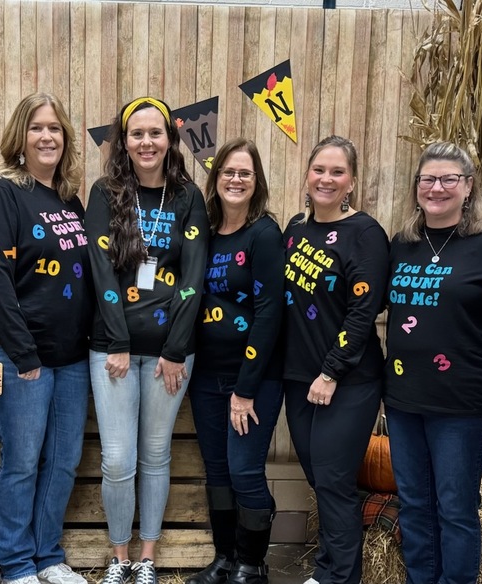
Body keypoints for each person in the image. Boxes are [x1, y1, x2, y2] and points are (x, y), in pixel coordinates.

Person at [0, 93, 94, 584]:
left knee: (63, 459)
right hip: (16, 351)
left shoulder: (69, 199)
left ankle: (49, 556)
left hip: (71, 354)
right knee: (22, 459)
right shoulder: (3, 192)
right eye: (38, 128)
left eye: (56, 129)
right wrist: (23, 353)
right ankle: (17, 563)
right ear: (20, 136)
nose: (47, 137)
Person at [84, 96, 209, 584]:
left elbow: (195, 274)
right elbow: (100, 272)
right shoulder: (104, 192)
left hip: (170, 354)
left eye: (155, 133)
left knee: (156, 453)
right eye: (136, 134)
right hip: (111, 348)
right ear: (124, 141)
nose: (146, 142)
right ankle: (118, 557)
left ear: (170, 139)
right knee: (117, 458)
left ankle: (148, 559)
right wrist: (117, 340)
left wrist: (176, 348)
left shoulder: (187, 197)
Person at [384, 142, 482, 584]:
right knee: (415, 504)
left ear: (468, 187)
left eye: (448, 180)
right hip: (402, 399)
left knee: (456, 508)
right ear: (416, 186)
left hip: (461, 404)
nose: (436, 188)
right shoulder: (402, 243)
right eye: (428, 179)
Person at [281, 135, 389, 584]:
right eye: (319, 170)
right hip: (298, 378)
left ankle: (339, 577)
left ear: (352, 183)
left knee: (332, 479)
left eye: (337, 172)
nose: (327, 179)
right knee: (320, 477)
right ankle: (329, 568)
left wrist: (331, 370)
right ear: (306, 176)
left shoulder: (365, 233)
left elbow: (364, 310)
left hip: (347, 381)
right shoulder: (293, 231)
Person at [187, 139, 284, 584]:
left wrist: (245, 389)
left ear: (256, 181)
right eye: (228, 171)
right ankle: (225, 559)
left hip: (254, 379)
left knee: (245, 470)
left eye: (245, 173)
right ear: (216, 178)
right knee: (219, 472)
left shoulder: (264, 233)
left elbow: (269, 312)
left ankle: (252, 564)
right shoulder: (204, 230)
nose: (236, 179)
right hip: (206, 373)